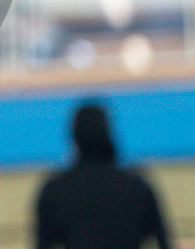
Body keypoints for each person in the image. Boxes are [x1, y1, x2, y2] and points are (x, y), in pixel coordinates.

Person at [35, 102, 171, 249]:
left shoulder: (54, 191)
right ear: (107, 133)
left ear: (75, 137)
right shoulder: (138, 188)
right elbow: (163, 242)